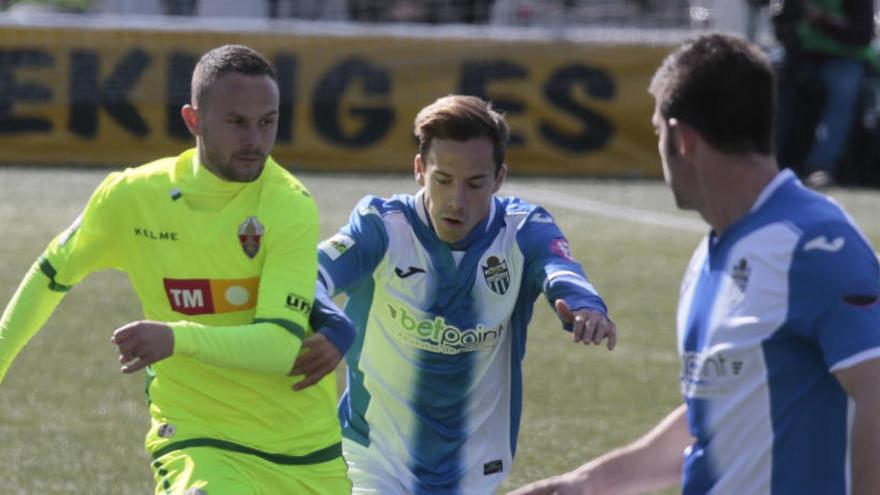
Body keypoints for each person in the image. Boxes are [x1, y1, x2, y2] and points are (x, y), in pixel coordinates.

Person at [510, 33, 880, 495]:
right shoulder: (713, 251)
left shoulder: (812, 243)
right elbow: (720, 418)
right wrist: (584, 484)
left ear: (682, 139)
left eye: (657, 132)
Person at [0, 44, 353, 494]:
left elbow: (280, 346)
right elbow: (51, 274)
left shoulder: (289, 205)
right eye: (236, 122)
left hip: (305, 450)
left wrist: (175, 337)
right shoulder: (130, 197)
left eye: (268, 122)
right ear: (193, 120)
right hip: (197, 437)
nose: (255, 140)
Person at [313, 94, 617, 494]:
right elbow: (312, 273)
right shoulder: (381, 227)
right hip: (374, 457)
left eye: (475, 184)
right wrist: (328, 320)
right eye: (443, 180)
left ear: (499, 178)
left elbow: (560, 267)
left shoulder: (522, 229)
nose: (457, 201)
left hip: (476, 464)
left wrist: (585, 306)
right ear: (420, 170)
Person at [773, 0, 876, 188]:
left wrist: (821, 19)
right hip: (801, 57)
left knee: (843, 92)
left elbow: (862, 34)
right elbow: (781, 22)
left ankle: (820, 167)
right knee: (773, 87)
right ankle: (772, 160)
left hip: (846, 58)